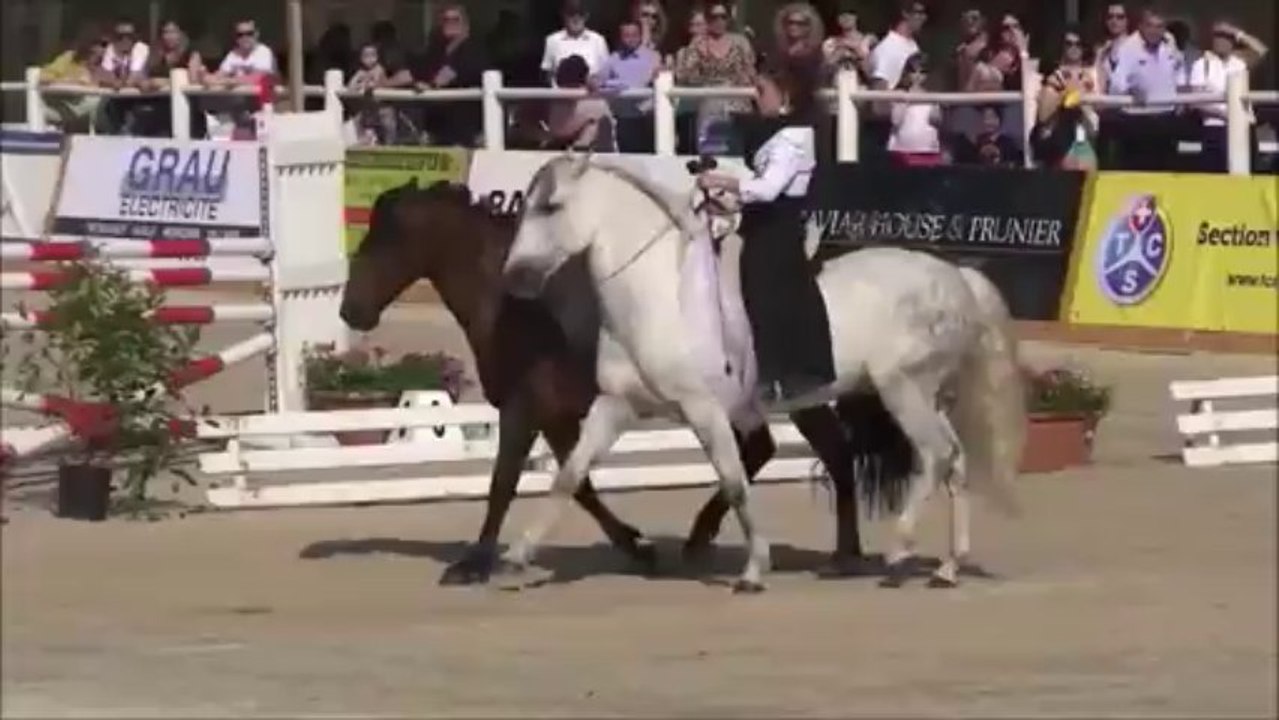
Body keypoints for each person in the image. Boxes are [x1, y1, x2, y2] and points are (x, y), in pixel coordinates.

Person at [694, 55, 834, 403]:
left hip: (778, 229)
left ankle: (776, 373)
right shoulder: (780, 134)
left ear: (784, 95)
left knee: (758, 279)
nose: (756, 97)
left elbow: (770, 189)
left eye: (762, 90)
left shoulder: (793, 138)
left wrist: (726, 180)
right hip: (763, 219)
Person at [1188, 20, 1269, 172]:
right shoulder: (1202, 64)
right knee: (1216, 175)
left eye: (1226, 37)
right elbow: (1195, 101)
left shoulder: (1239, 62)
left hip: (1244, 127)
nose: (1221, 41)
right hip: (1216, 128)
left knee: (1247, 172)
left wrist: (1235, 31)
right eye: (1217, 37)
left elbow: (1262, 50)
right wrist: (1225, 114)